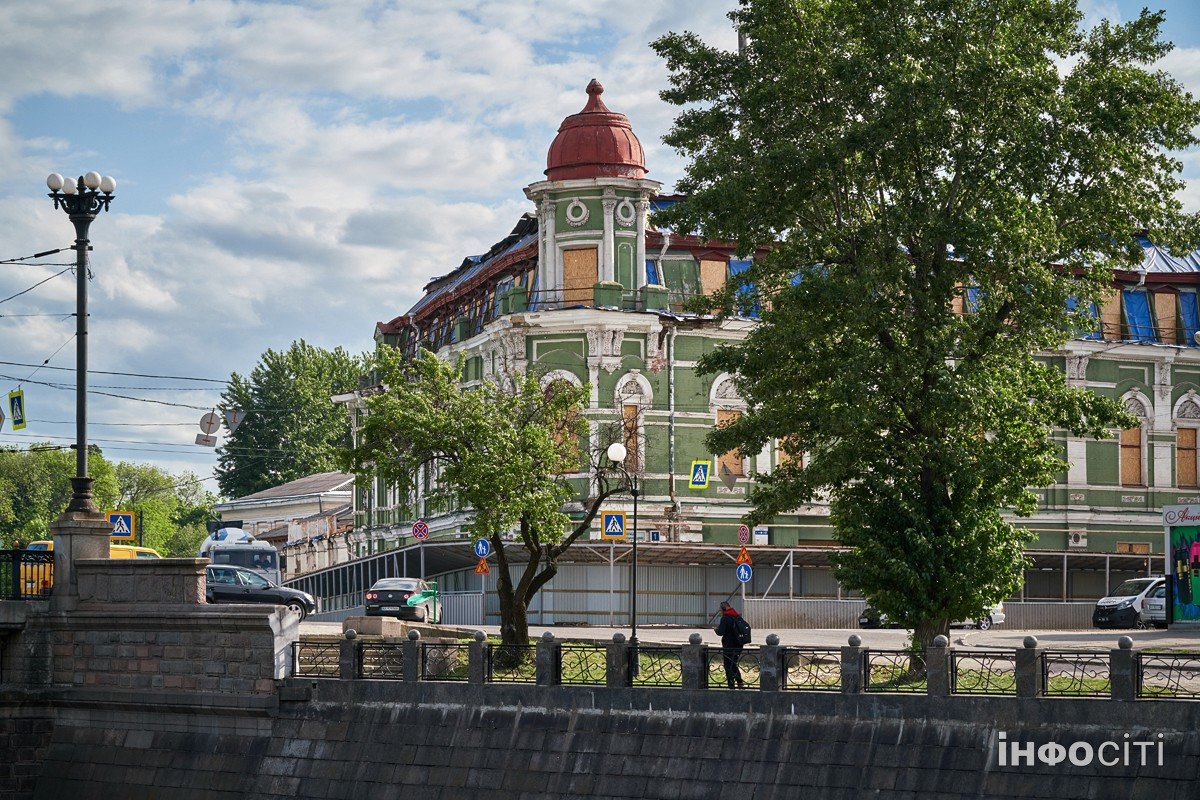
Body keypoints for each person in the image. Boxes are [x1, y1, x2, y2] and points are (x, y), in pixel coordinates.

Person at [714, 601, 747, 689]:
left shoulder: (725, 618)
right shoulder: (737, 616)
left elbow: (721, 632)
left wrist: (716, 630)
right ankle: (740, 683)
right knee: (733, 663)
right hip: (739, 644)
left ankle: (731, 685)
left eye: (720, 610)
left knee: (728, 665)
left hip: (729, 645)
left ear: (723, 609)